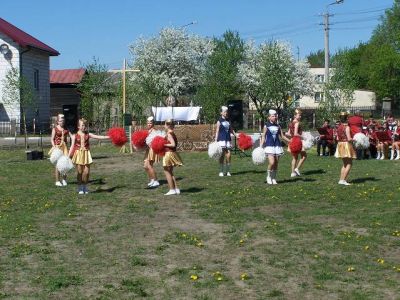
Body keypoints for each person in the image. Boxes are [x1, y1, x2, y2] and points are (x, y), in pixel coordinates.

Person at [68, 118, 110, 194]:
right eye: (83, 125)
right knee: (80, 172)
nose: (84, 127)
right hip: (78, 154)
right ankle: (80, 187)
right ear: (78, 126)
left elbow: (98, 137)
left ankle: (85, 186)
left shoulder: (88, 134)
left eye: (85, 125)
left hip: (86, 154)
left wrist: (108, 137)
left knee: (86, 172)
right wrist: (68, 156)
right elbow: (71, 146)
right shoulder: (75, 135)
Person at [260, 109, 290, 184]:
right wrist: (261, 146)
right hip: (269, 146)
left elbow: (282, 136)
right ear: (269, 117)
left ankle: (274, 178)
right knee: (272, 162)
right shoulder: (266, 125)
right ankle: (268, 176)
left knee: (276, 163)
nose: (274, 117)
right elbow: (263, 136)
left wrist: (290, 141)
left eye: (275, 116)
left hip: (277, 146)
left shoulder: (278, 126)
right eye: (273, 116)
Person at [49, 114, 73, 186]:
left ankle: (64, 180)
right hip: (58, 148)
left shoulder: (66, 129)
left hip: (65, 148)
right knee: (58, 165)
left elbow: (72, 136)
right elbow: (52, 139)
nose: (62, 122)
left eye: (63, 120)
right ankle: (57, 181)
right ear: (58, 121)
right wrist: (54, 146)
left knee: (65, 164)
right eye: (60, 121)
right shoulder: (55, 129)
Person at [335, 112, 357, 185]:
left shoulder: (339, 127)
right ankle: (343, 180)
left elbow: (337, 137)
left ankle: (341, 180)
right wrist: (355, 139)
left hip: (340, 144)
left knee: (344, 163)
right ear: (347, 118)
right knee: (349, 163)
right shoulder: (347, 127)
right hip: (346, 145)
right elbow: (349, 139)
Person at [163, 119, 184, 195]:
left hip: (169, 153)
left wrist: (163, 144)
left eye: (165, 124)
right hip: (172, 153)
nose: (164, 126)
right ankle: (176, 188)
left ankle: (172, 189)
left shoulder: (169, 133)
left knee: (166, 171)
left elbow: (173, 144)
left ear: (168, 125)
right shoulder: (172, 133)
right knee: (170, 172)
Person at [215, 106, 236, 177]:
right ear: (221, 113)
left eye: (226, 112)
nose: (226, 113)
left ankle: (228, 171)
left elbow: (231, 130)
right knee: (222, 155)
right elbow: (217, 131)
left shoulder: (228, 121)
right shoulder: (219, 121)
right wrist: (215, 140)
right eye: (224, 112)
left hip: (228, 139)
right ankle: (221, 171)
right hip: (221, 140)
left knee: (229, 155)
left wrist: (236, 135)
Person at [287, 109, 306, 177]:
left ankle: (292, 173)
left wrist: (291, 138)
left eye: (301, 115)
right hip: (297, 141)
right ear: (295, 115)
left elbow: (288, 134)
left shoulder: (291, 123)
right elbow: (295, 133)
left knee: (295, 157)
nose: (300, 116)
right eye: (299, 115)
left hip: (292, 141)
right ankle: (297, 169)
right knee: (304, 156)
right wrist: (303, 137)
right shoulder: (297, 123)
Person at [144, 117, 160, 188]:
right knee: (145, 166)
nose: (149, 124)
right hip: (148, 150)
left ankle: (156, 181)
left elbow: (155, 141)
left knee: (149, 165)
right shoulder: (148, 130)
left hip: (152, 150)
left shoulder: (154, 131)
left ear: (153, 123)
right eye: (148, 123)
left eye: (150, 123)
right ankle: (152, 180)